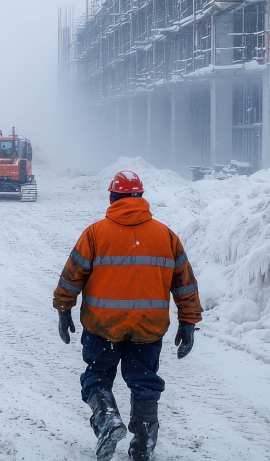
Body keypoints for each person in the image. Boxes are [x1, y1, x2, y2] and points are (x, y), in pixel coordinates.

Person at [53, 171, 202, 461]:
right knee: (144, 382)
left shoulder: (95, 233)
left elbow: (72, 275)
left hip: (102, 327)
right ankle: (143, 445)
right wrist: (188, 322)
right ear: (140, 197)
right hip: (148, 328)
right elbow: (185, 283)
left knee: (97, 376)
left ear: (113, 197)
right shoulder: (165, 235)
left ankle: (107, 420)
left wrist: (63, 308)